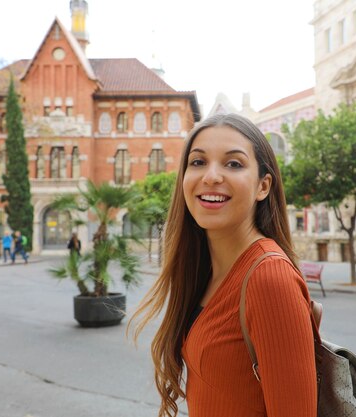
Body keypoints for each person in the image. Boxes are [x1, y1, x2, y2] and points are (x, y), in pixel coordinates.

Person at [130, 114, 317, 417]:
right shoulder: (205, 271)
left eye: (233, 164)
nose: (211, 176)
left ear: (263, 187)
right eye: (198, 162)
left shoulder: (270, 278)